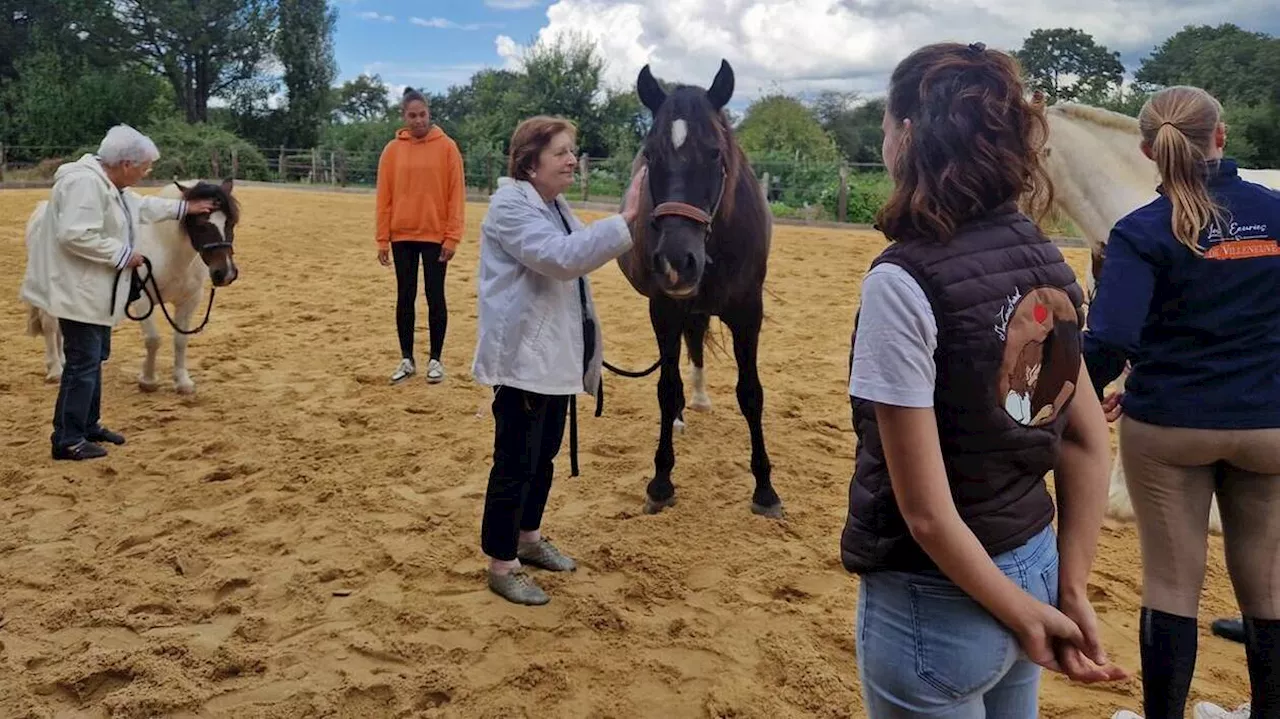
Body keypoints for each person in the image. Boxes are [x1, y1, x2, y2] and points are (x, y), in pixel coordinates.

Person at [841, 42, 1128, 717]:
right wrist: (1069, 583)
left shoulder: (901, 281)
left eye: (885, 123)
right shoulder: (1044, 258)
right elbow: (1087, 439)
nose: (884, 138)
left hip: (937, 602)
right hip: (1032, 564)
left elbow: (926, 514)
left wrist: (1024, 614)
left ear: (908, 132)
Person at [1083, 85, 1280, 719]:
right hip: (1268, 424)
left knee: (1171, 584)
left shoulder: (1140, 231)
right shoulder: (1277, 214)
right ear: (1221, 137)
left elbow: (1110, 337)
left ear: (1149, 151)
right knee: (1269, 585)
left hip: (1171, 424)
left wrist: (1075, 400)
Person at [471, 115, 646, 606]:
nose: (573, 160)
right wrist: (626, 218)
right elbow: (562, 258)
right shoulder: (511, 206)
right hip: (524, 359)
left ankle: (528, 539)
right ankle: (501, 564)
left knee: (543, 456)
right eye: (562, 152)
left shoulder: (554, 204)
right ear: (530, 163)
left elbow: (577, 255)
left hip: (553, 359)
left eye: (573, 151)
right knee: (514, 462)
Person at [19, 124, 215, 461]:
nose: (146, 173)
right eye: (144, 167)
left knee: (94, 359)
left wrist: (185, 209)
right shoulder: (84, 184)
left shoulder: (110, 185)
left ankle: (88, 424)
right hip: (77, 289)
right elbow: (75, 234)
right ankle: (67, 438)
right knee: (81, 363)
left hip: (96, 291)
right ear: (126, 163)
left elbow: (143, 207)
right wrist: (123, 254)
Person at [375, 87, 465, 384]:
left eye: (422, 114)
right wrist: (382, 238)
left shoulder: (447, 147)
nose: (417, 120)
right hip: (402, 236)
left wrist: (452, 237)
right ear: (403, 117)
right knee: (405, 296)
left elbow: (456, 196)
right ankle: (406, 357)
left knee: (435, 296)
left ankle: (436, 359)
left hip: (435, 236)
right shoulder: (392, 151)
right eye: (412, 115)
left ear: (429, 113)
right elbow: (384, 197)